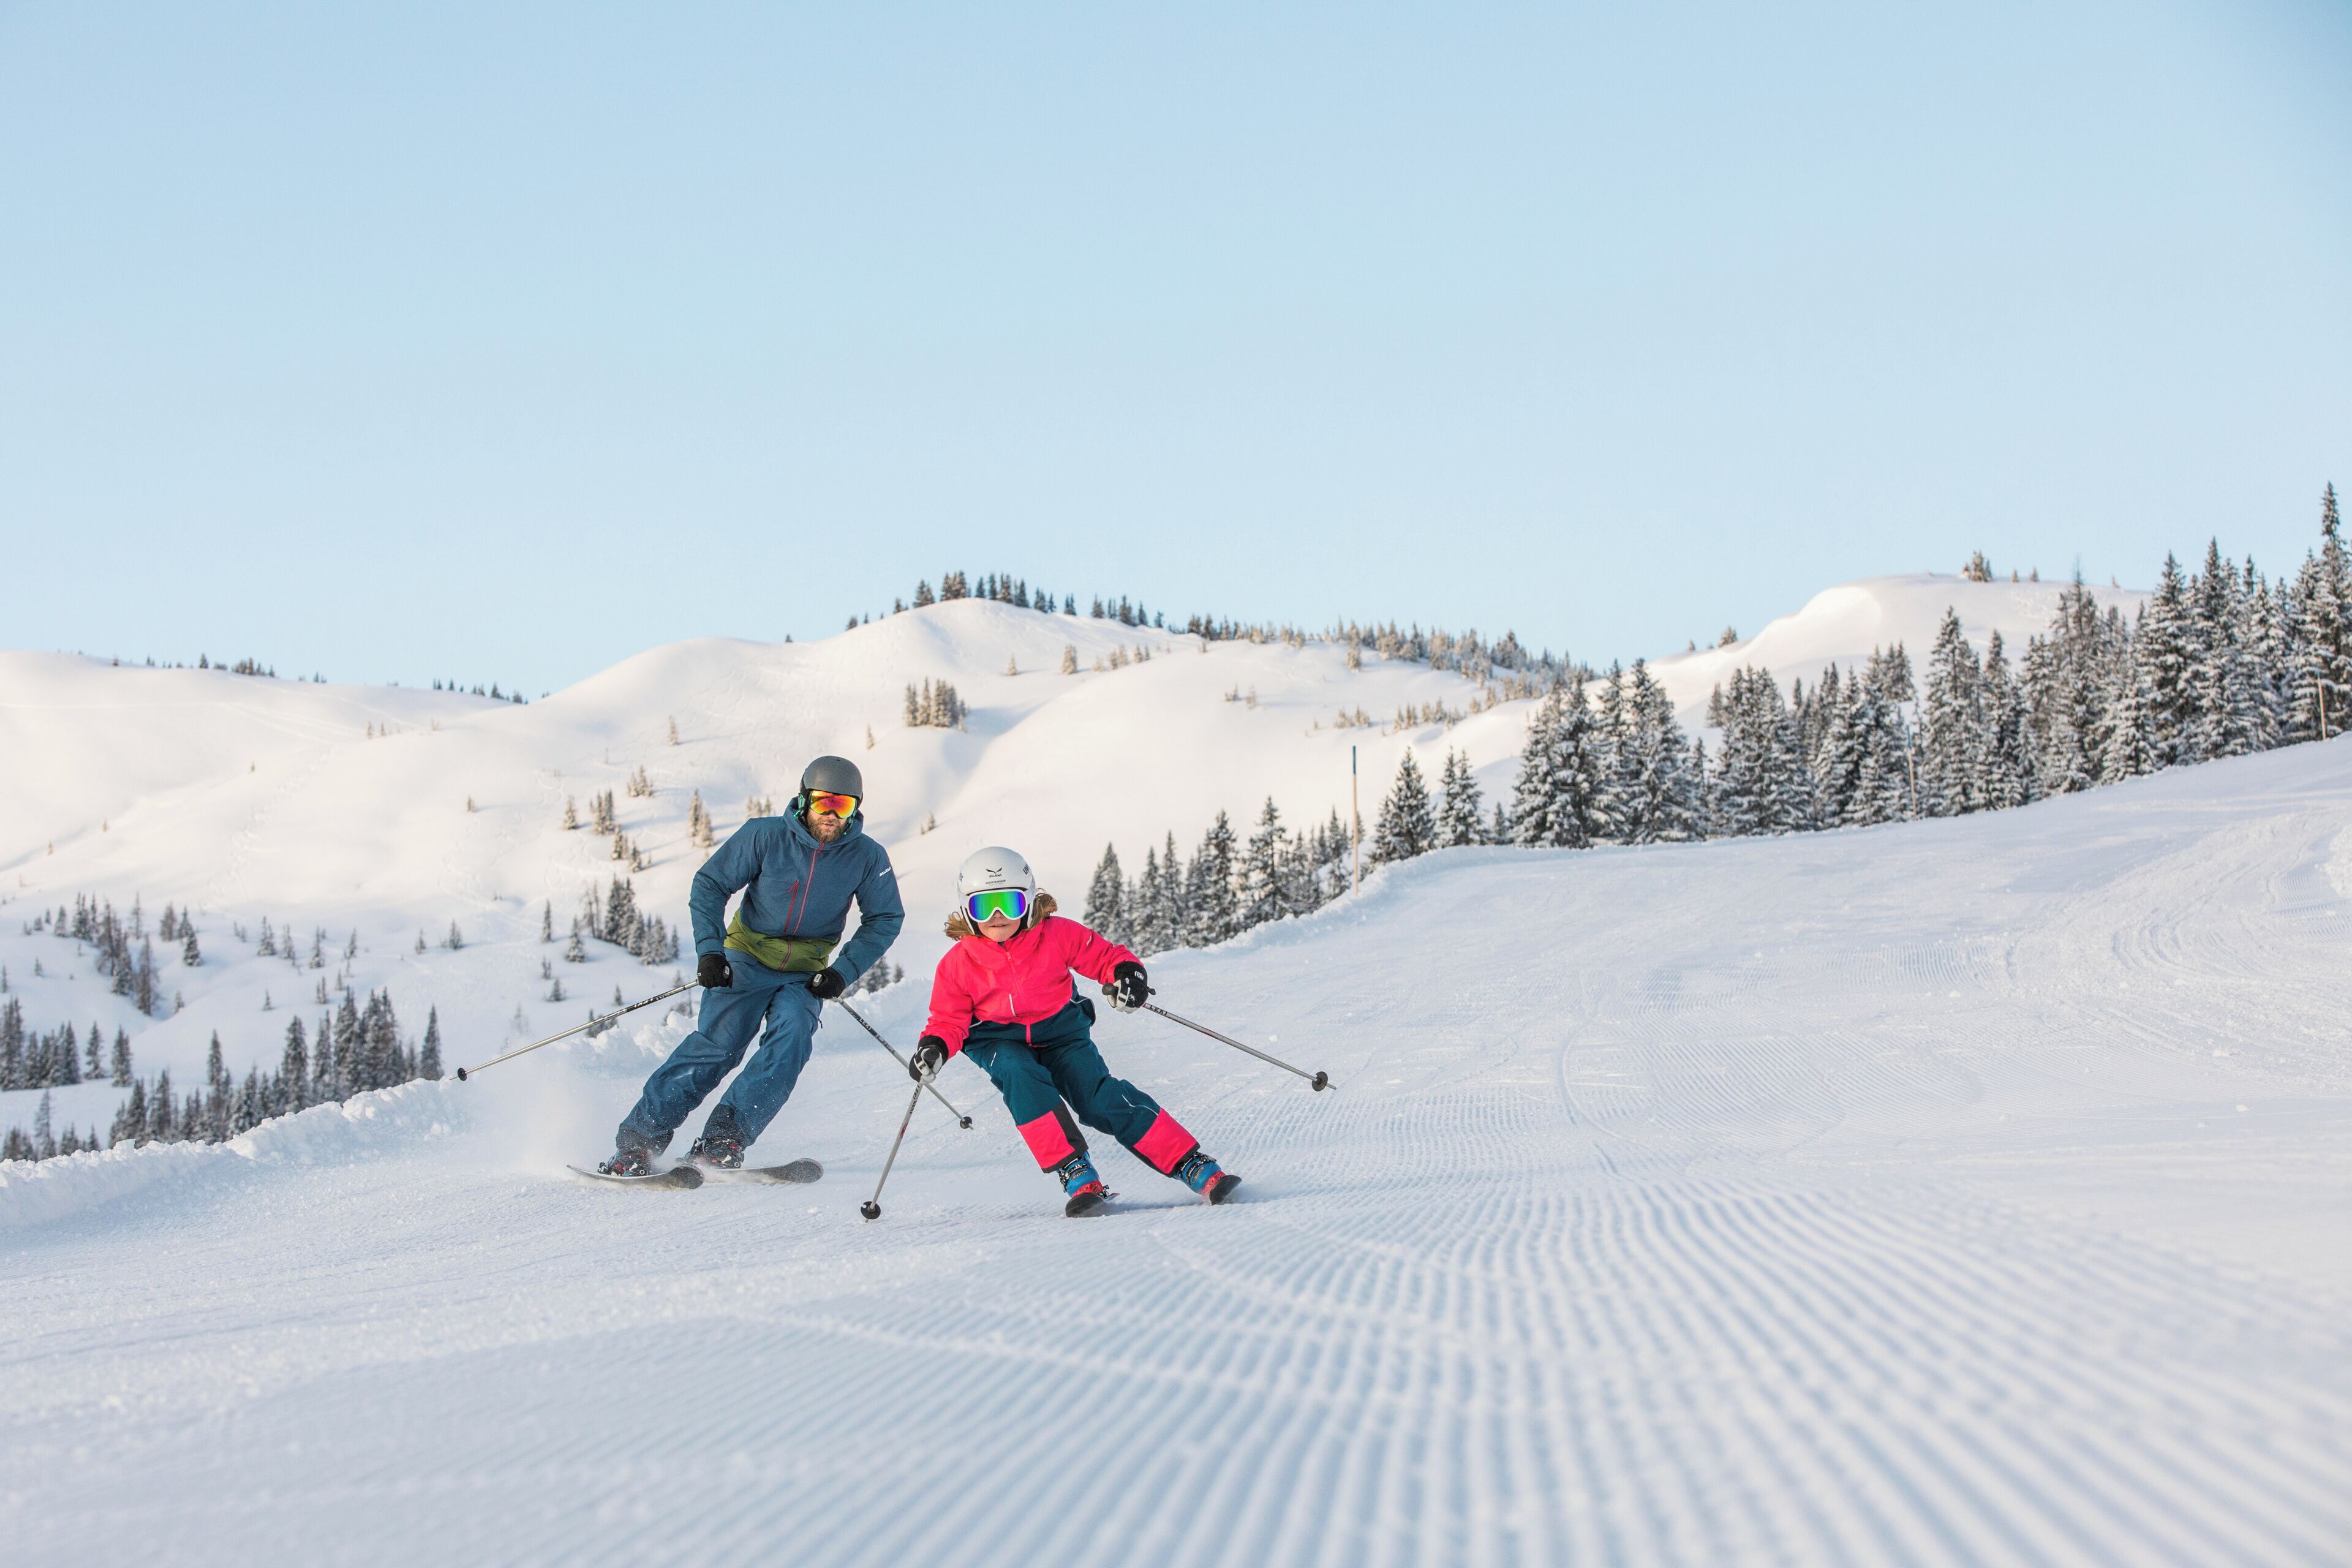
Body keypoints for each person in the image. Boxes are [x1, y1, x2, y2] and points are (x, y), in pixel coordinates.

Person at [603, 756, 903, 1173]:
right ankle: (638, 1142)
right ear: (804, 800)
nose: (832, 814)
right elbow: (710, 884)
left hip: (806, 973)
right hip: (746, 957)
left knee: (793, 1037)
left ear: (856, 809)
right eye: (824, 802)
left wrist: (842, 972)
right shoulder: (764, 836)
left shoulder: (867, 857)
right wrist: (711, 951)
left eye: (844, 806)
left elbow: (886, 918)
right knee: (718, 1046)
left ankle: (723, 1140)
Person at [910, 845, 1240, 1216]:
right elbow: (947, 1019)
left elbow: (1104, 956)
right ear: (967, 912)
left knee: (1098, 1097)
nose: (999, 917)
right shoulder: (957, 964)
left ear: (1030, 902)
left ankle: (1189, 1163)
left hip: (1062, 1034)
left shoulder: (1056, 934)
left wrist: (1126, 975)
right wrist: (935, 1046)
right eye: (985, 908)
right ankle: (1075, 1169)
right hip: (998, 1040)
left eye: (1011, 904)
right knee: (1021, 1077)